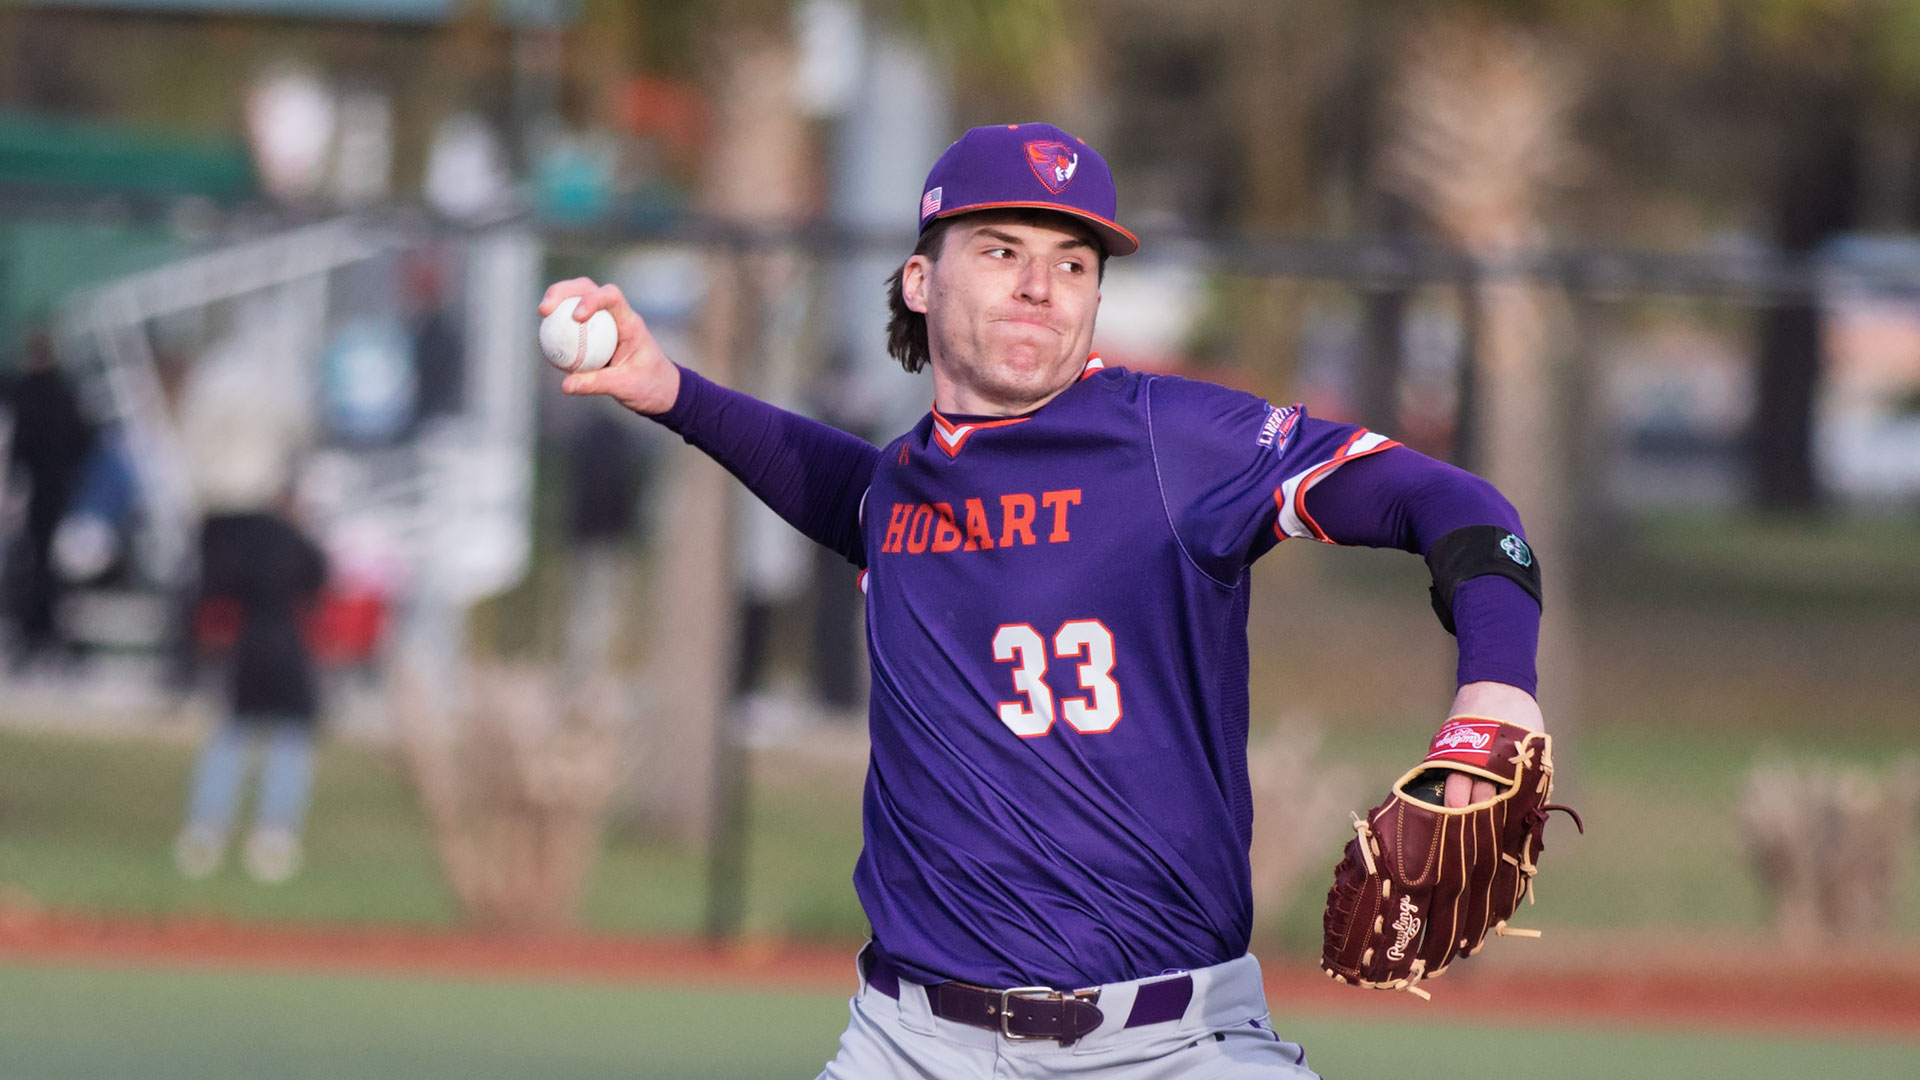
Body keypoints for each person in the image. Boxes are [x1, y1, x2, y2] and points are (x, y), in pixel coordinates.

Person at [541, 122, 1547, 1078]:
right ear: (921, 280)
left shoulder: (1174, 445)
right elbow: (836, 484)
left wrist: (1496, 686)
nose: (1041, 287)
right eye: (1002, 249)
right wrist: (668, 388)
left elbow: (1450, 501)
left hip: (1175, 1040)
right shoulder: (901, 492)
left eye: (1073, 263)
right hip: (912, 1043)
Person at [174, 502, 329, 884]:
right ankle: (273, 833)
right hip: (288, 649)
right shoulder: (296, 543)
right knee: (285, 742)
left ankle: (208, 829)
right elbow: (319, 580)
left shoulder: (236, 539)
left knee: (235, 736)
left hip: (247, 648)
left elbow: (213, 587)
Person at [2, 328, 97, 669]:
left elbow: (21, 443)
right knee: (48, 564)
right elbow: (84, 439)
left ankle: (39, 632)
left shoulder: (29, 391)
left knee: (42, 563)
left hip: (43, 490)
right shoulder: (64, 390)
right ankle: (44, 631)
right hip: (59, 488)